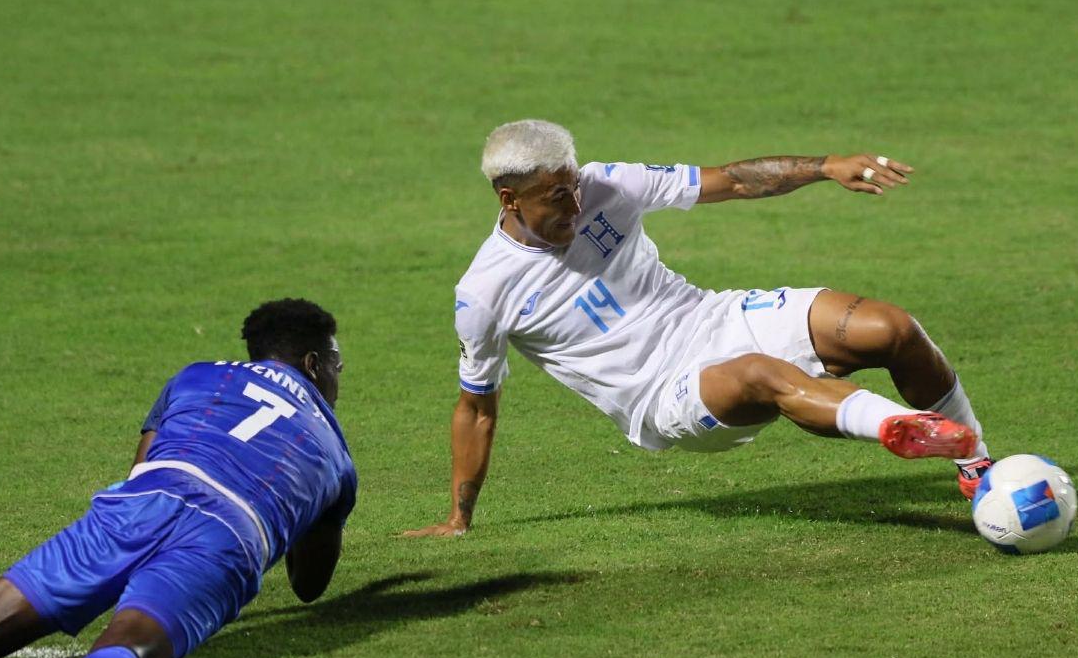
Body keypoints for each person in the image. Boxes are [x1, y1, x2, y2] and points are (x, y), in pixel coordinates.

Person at [404, 120, 992, 538]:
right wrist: (459, 517)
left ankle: (977, 467)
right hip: (662, 395)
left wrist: (826, 167)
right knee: (763, 374)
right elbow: (476, 408)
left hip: (714, 318)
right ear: (510, 199)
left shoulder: (610, 183)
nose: (576, 204)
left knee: (890, 327)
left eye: (575, 185)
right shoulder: (485, 292)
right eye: (557, 196)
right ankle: (898, 426)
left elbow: (732, 180)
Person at [0, 298, 357, 658]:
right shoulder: (336, 454)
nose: (339, 374)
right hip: (228, 534)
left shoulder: (196, 375)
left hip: (144, 500)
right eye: (336, 363)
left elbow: (141, 468)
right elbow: (309, 585)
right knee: (130, 648)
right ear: (312, 364)